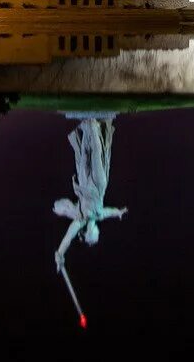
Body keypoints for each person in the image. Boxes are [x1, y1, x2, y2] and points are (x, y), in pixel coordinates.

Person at [52, 116, 127, 272]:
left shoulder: (79, 221)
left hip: (85, 186)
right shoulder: (99, 215)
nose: (96, 234)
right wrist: (119, 212)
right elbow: (110, 212)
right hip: (99, 185)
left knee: (86, 156)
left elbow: (67, 239)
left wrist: (60, 254)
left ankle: (87, 126)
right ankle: (92, 125)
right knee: (97, 155)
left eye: (93, 237)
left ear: (86, 233)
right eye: (96, 235)